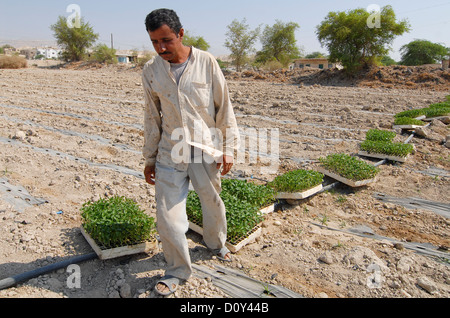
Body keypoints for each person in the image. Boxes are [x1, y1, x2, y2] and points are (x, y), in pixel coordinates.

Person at [142, 8, 240, 296]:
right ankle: (176, 270)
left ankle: (216, 244)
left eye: (166, 41)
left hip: (205, 148)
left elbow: (225, 108)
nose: (161, 48)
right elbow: (152, 116)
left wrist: (228, 149)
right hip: (170, 152)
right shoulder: (150, 71)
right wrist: (149, 157)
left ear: (181, 34)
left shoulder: (207, 62)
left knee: (211, 202)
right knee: (167, 215)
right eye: (154, 42)